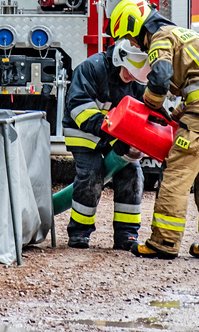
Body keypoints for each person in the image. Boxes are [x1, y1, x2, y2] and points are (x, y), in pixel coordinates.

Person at [109, 0, 199, 261]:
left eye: (132, 38)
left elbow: (160, 78)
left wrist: (151, 103)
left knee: (176, 173)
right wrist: (178, 114)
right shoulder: (182, 34)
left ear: (135, 25)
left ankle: (163, 242)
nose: (135, 44)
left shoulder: (160, 38)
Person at [63, 39, 150, 251]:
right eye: (128, 70)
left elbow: (144, 113)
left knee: (133, 175)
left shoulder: (138, 80)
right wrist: (115, 134)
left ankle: (126, 235)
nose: (130, 76)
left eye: (135, 73)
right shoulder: (92, 68)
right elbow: (78, 107)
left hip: (115, 138)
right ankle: (79, 232)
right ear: (119, 59)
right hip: (84, 134)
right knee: (91, 175)